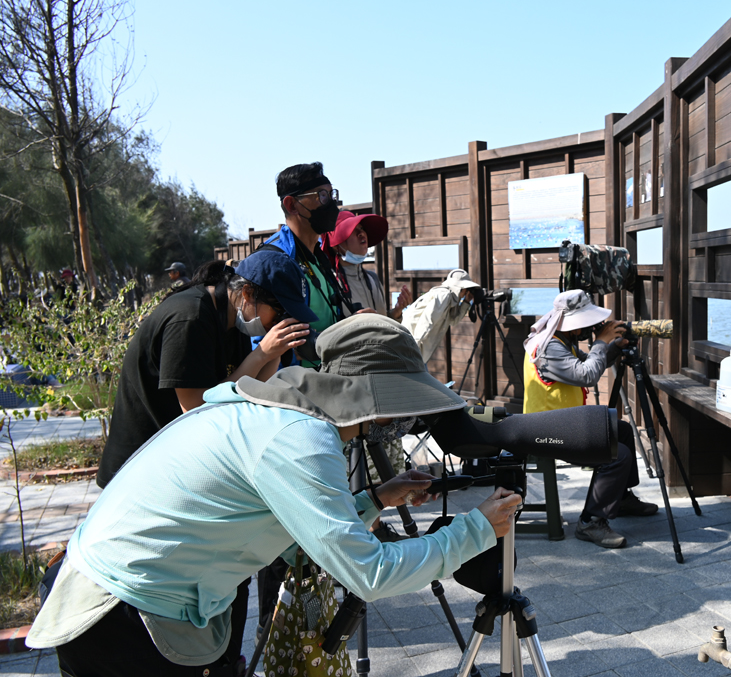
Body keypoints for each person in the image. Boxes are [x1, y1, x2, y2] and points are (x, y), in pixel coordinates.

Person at [27, 314, 522, 677]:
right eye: (397, 404)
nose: (395, 420)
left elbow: (296, 534)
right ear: (372, 397)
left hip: (115, 596)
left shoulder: (273, 413)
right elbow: (369, 573)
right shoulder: (298, 439)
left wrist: (376, 498)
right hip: (122, 616)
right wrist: (477, 528)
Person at [96, 253, 315, 488]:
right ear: (248, 293)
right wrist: (261, 354)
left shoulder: (234, 320)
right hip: (137, 472)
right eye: (280, 311)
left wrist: (272, 353)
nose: (282, 321)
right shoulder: (191, 317)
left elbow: (254, 392)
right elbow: (196, 409)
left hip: (172, 461)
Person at [522, 289, 658, 548]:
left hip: (562, 423)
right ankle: (590, 521)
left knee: (623, 431)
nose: (588, 327)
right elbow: (587, 375)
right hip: (545, 430)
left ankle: (621, 498)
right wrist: (600, 341)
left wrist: (613, 347)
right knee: (618, 456)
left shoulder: (559, 339)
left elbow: (589, 363)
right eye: (583, 323)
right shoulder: (549, 346)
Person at [322, 211, 414, 542]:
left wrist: (395, 314)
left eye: (364, 231)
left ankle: (374, 521)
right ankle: (361, 524)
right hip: (347, 387)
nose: (362, 236)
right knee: (351, 461)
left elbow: (378, 326)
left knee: (382, 454)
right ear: (337, 239)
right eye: (354, 231)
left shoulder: (372, 278)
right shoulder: (328, 280)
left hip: (378, 381)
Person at [260, 162, 352, 368]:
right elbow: (266, 346)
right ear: (292, 205)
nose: (330, 204)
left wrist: (354, 324)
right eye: (321, 196)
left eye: (331, 194)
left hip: (330, 379)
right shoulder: (274, 262)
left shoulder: (318, 257)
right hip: (294, 389)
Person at [323, 211, 412, 321]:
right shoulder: (328, 283)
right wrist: (352, 324)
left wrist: (396, 312)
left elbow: (382, 324)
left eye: (361, 228)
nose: (361, 233)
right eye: (352, 230)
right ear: (337, 246)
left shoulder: (373, 279)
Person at [401, 268, 479, 362]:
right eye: (467, 289)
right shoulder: (444, 296)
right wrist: (414, 349)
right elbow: (427, 320)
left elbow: (453, 321)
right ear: (460, 289)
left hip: (412, 347)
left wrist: (466, 302)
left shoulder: (450, 298)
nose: (466, 293)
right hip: (411, 347)